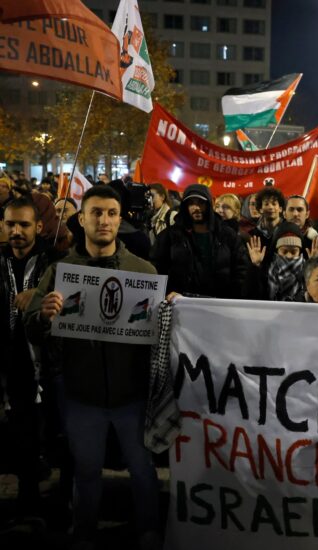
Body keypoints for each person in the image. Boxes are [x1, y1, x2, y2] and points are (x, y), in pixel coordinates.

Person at [23, 186, 161, 547]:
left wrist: (171, 309)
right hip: (82, 394)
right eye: (96, 212)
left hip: (131, 395)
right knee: (85, 472)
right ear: (81, 218)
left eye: (112, 213)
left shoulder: (143, 271)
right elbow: (32, 328)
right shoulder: (61, 271)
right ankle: (84, 532)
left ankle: (149, 530)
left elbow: (160, 333)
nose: (104, 220)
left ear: (120, 219)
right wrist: (43, 316)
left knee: (143, 471)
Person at [0, 197, 63, 527]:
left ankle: (62, 498)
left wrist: (38, 298)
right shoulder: (0, 260)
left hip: (52, 363)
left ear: (38, 227)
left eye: (23, 224)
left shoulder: (56, 261)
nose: (16, 231)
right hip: (13, 363)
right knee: (21, 432)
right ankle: (27, 499)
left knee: (57, 432)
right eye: (10, 224)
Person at [151, 184, 254, 298]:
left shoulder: (228, 235)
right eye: (191, 203)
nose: (196, 208)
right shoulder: (170, 236)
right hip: (181, 305)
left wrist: (231, 299)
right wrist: (168, 293)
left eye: (200, 202)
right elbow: (157, 269)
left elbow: (241, 271)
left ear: (209, 205)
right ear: (185, 206)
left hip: (219, 305)